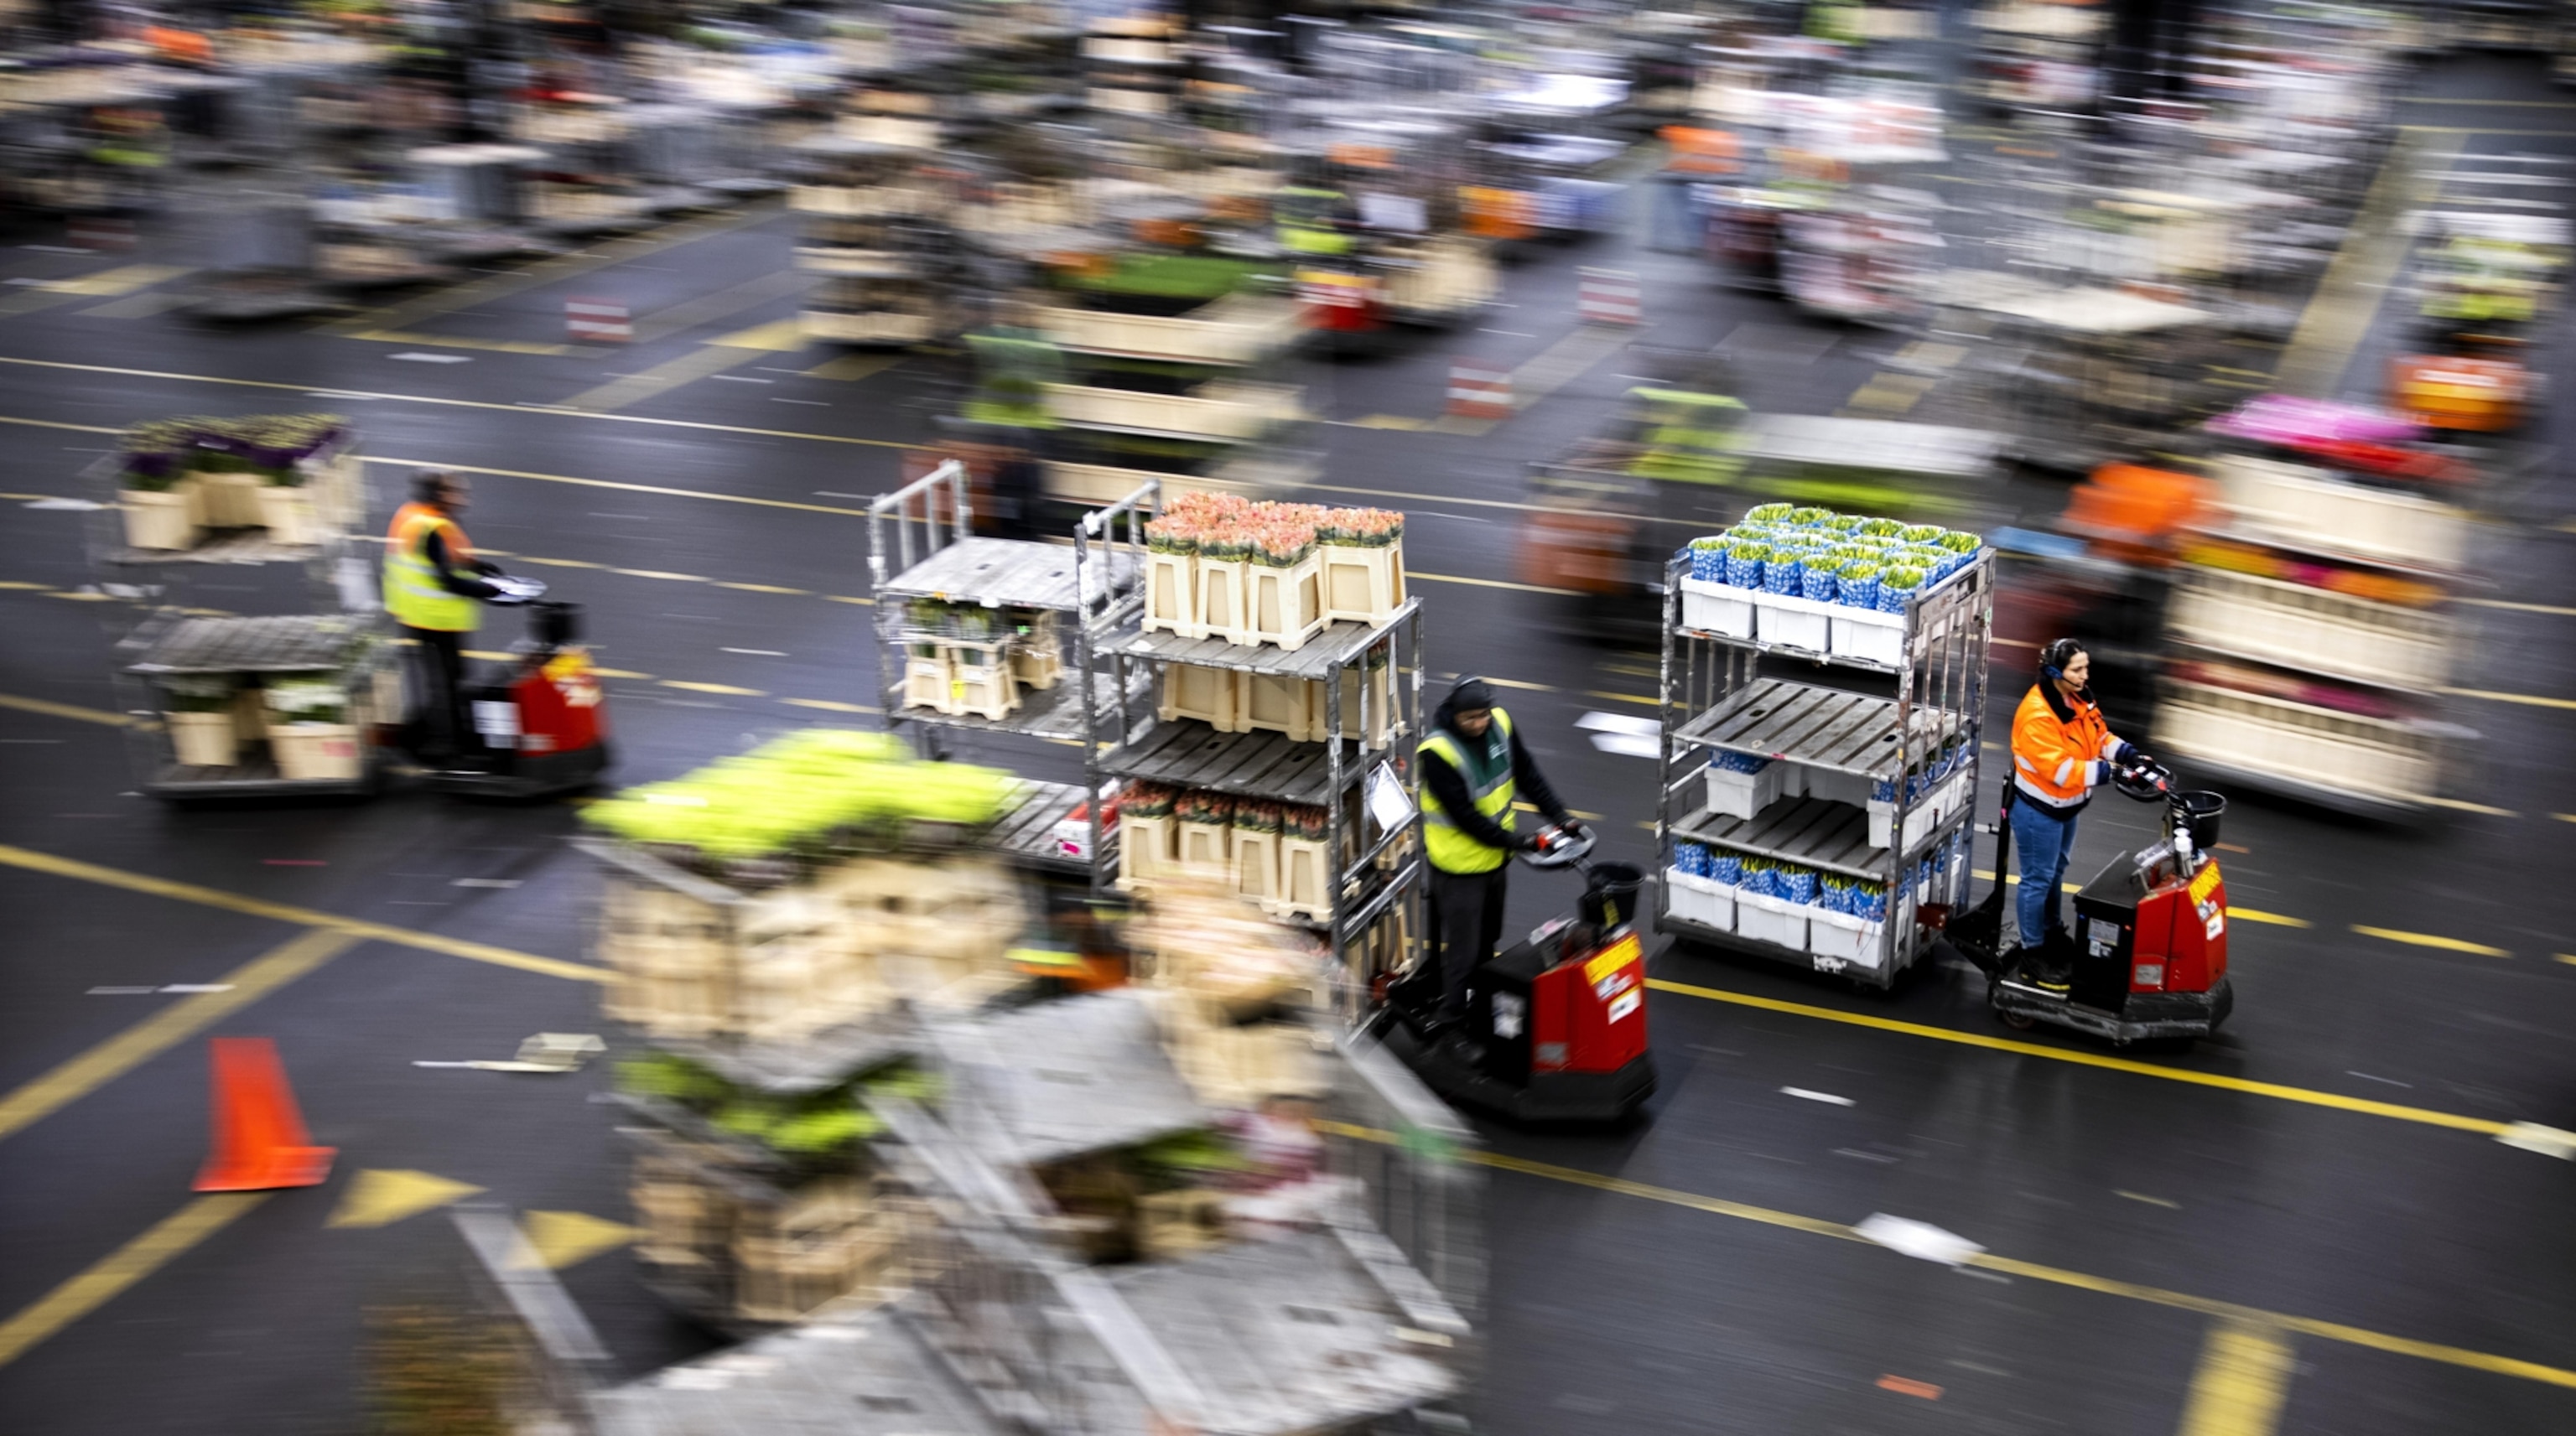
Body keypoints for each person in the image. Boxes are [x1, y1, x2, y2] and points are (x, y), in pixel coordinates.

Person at [1418, 677, 1582, 1027]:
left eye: (1483, 716)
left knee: (1487, 941)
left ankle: (1478, 1005)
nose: (1479, 724)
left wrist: (1559, 815)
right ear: (1453, 714)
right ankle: (1452, 1018)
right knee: (1463, 951)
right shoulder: (1438, 753)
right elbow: (1465, 817)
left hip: (1495, 862)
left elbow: (1527, 774)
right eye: (1470, 719)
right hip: (1459, 870)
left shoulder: (1501, 723)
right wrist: (1518, 841)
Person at [2008, 638, 2142, 983]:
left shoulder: (2079, 697)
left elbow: (2099, 736)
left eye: (2086, 667)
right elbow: (2061, 770)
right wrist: (2111, 772)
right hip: (2040, 811)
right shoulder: (2037, 715)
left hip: (2067, 808)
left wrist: (2128, 755)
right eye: (2078, 669)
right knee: (2037, 880)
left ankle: (2051, 932)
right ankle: (2033, 951)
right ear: (2056, 672)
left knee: (2055, 873)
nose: (2085, 674)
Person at [382, 470, 506, 764]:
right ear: (439, 495)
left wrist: (480, 567)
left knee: (450, 679)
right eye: (455, 492)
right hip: (433, 618)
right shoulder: (432, 526)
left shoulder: (415, 515)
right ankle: (452, 747)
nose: (462, 497)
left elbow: (445, 558)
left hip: (418, 614)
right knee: (449, 681)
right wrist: (487, 589)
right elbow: (446, 580)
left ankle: (452, 736)